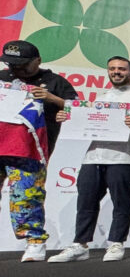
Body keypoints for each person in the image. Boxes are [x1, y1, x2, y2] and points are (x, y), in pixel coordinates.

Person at [47, 56, 130, 263]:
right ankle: (80, 245)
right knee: (86, 200)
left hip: (125, 157)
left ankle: (116, 243)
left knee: (121, 202)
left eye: (121, 68)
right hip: (94, 155)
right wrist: (67, 118)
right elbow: (85, 123)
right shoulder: (100, 98)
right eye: (112, 68)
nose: (116, 72)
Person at [0, 40, 77, 262]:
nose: (17, 68)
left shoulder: (55, 82)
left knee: (26, 196)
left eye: (23, 64)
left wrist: (53, 100)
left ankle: (34, 241)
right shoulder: (2, 78)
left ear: (38, 60)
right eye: (11, 64)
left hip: (28, 151)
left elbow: (81, 110)